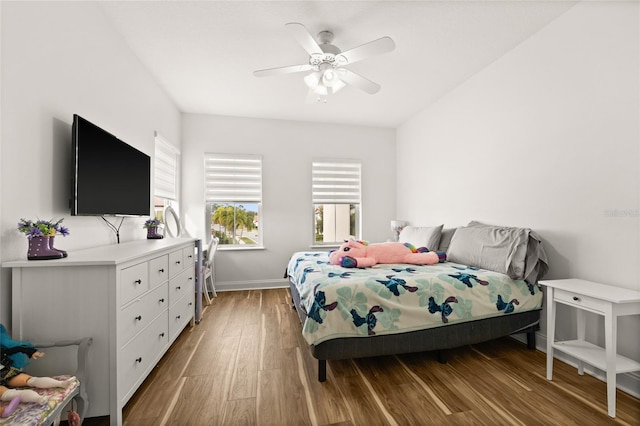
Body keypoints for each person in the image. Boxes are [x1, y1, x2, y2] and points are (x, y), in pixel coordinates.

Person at [0, 325, 74, 405]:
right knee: (6, 393)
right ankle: (38, 399)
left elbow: (17, 349)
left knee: (31, 380)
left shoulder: (1, 351)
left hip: (5, 373)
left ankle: (60, 384)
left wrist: (31, 352)